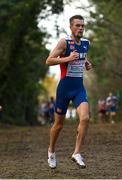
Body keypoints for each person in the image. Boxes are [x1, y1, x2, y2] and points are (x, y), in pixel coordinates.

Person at [45, 15, 92, 169]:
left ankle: (77, 153)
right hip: (64, 88)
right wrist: (67, 59)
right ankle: (51, 151)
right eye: (77, 25)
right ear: (71, 27)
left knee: (85, 118)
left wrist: (86, 63)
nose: (80, 28)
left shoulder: (86, 43)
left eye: (82, 26)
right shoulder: (64, 42)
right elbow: (49, 60)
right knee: (58, 125)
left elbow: (81, 56)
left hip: (79, 88)